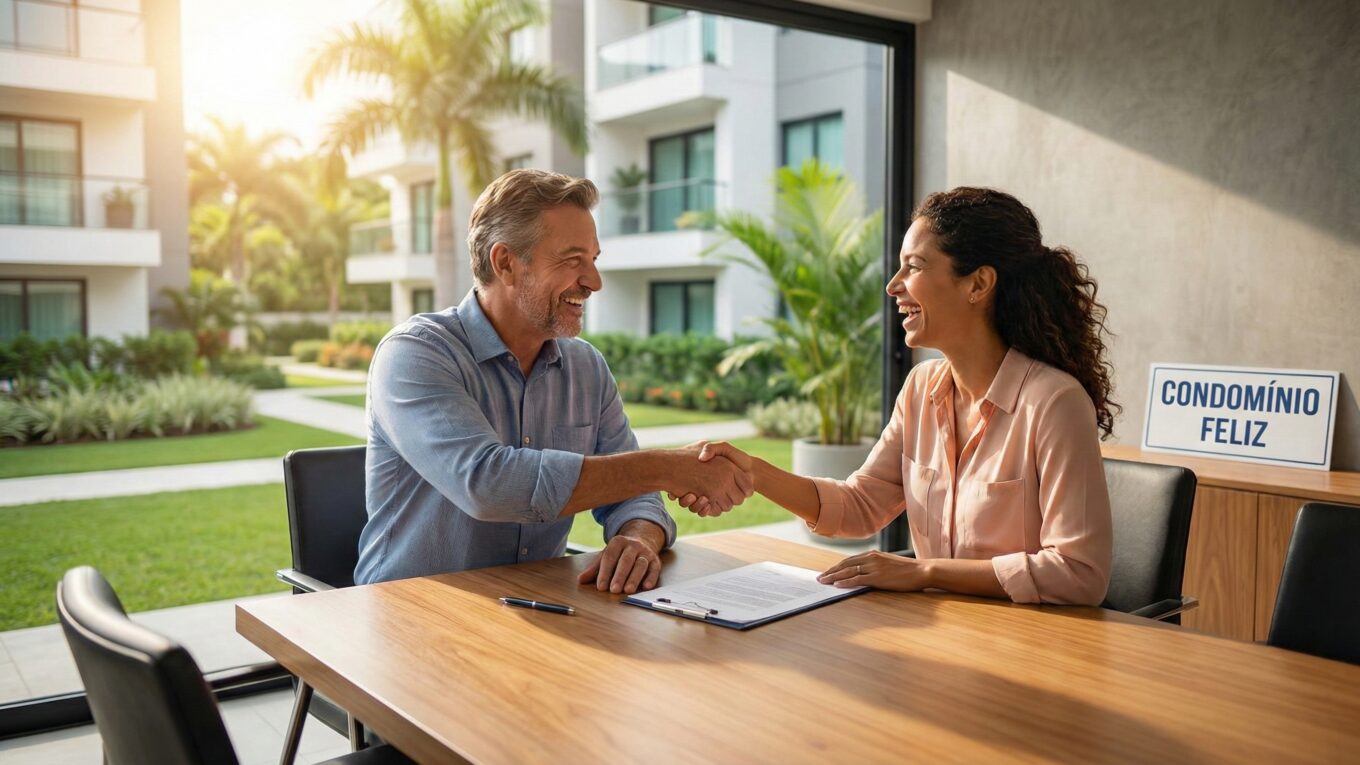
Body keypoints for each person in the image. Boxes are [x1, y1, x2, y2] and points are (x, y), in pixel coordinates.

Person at [683, 187, 1116, 605]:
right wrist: (753, 472)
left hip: (1034, 648)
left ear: (978, 284)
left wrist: (925, 572)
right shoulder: (920, 389)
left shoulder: (1054, 403)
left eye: (914, 266)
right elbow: (859, 506)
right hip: (939, 635)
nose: (893, 285)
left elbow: (1079, 574)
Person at [355, 169, 752, 594]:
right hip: (408, 617)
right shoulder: (415, 354)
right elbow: (488, 485)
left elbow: (637, 497)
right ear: (505, 263)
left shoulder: (586, 368)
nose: (594, 282)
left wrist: (637, 537)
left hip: (533, 610)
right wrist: (669, 468)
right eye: (571, 260)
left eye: (594, 260)